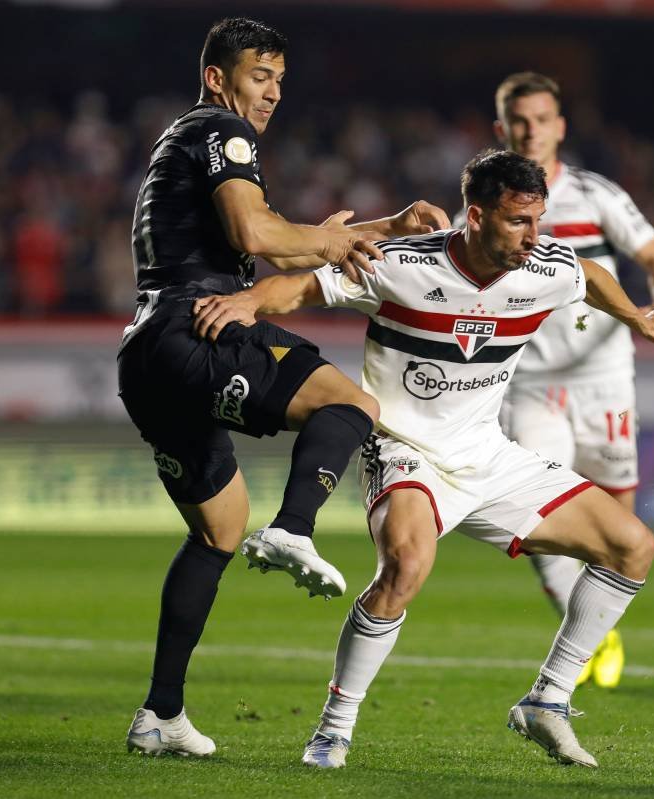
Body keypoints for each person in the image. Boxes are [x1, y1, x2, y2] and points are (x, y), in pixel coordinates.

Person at [193, 149, 654, 769]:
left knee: (633, 547)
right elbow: (301, 287)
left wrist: (639, 318)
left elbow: (586, 275)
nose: (534, 237)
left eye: (538, 221)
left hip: (488, 455)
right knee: (406, 566)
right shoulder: (400, 265)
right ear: (475, 217)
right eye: (517, 222)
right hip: (405, 451)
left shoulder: (545, 265)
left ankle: (549, 701)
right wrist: (248, 303)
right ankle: (333, 730)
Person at [118, 17, 449, 757]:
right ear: (218, 77)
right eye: (259, 76)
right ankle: (295, 527)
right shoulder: (220, 131)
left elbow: (271, 229)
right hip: (194, 327)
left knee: (216, 531)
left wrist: (382, 225)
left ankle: (161, 714)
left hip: (147, 354)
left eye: (279, 81)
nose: (271, 94)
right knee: (351, 403)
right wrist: (326, 238)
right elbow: (255, 235)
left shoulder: (188, 139)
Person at [488, 72, 654, 688]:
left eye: (542, 118)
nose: (531, 130)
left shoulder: (597, 195)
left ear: (560, 126)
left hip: (602, 379)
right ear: (502, 130)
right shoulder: (488, 204)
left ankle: (598, 622)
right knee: (537, 519)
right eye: (519, 121)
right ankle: (585, 642)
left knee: (617, 528)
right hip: (528, 382)